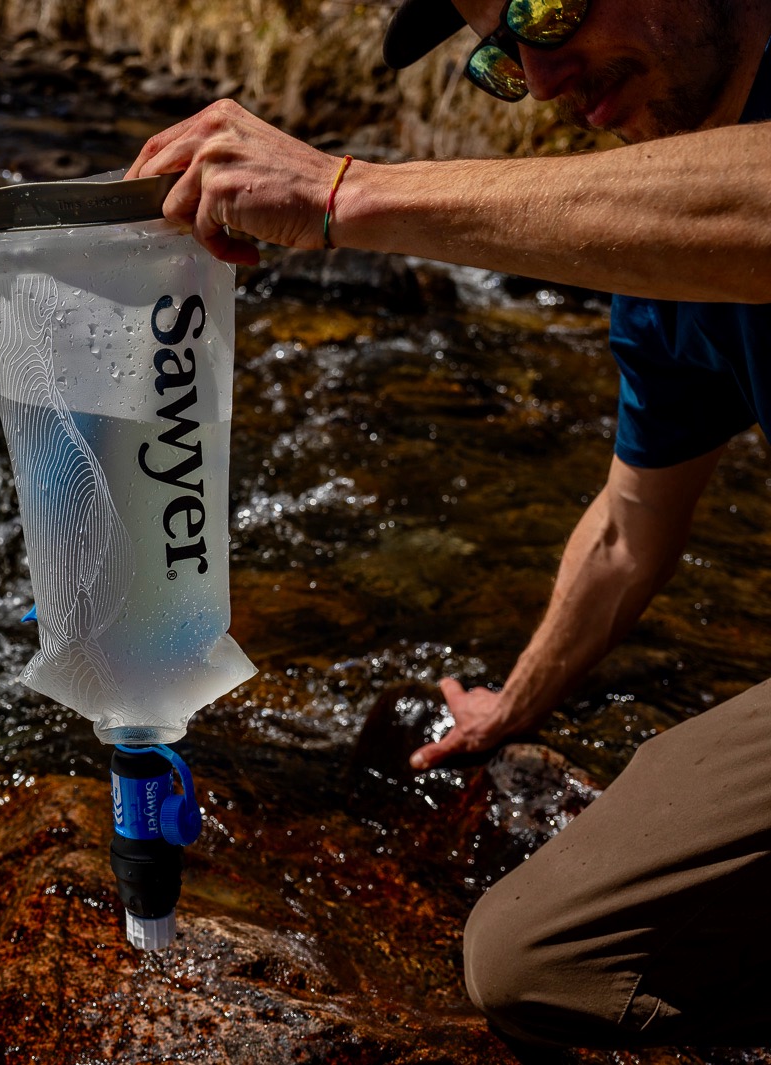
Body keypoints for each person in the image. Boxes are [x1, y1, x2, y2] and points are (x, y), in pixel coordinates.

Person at [127, 0, 771, 1049]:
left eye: (542, 8)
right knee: (536, 954)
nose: (542, 74)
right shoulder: (655, 260)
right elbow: (626, 530)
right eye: (500, 55)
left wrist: (345, 191)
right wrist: (508, 710)